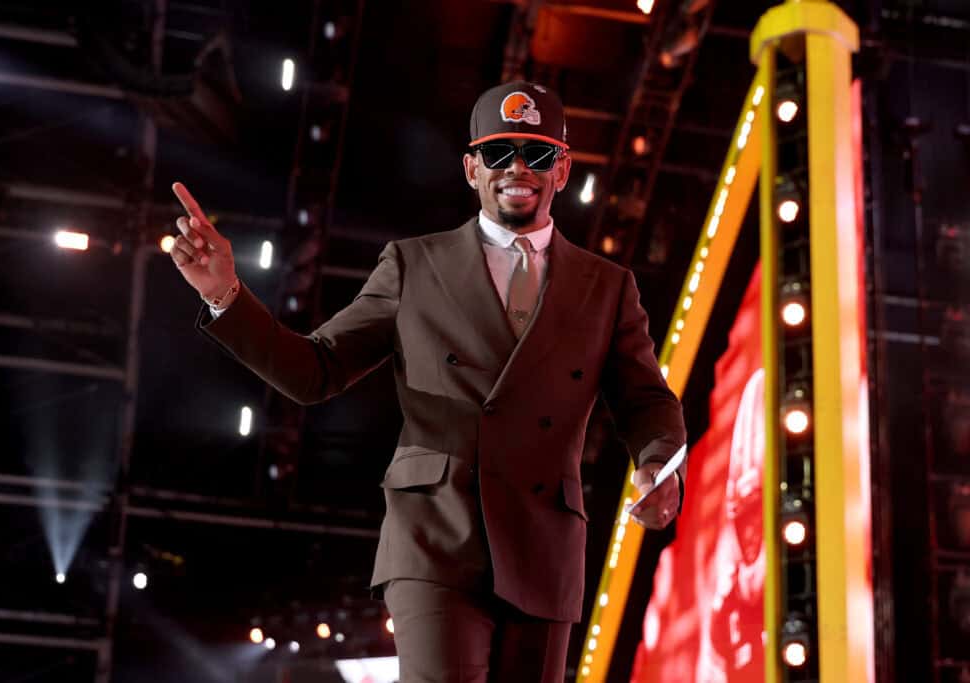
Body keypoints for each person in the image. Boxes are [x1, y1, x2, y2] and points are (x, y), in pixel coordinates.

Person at [168, 81, 686, 683]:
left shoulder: (608, 286)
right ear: (472, 169)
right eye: (498, 152)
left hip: (545, 546)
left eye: (538, 154)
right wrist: (226, 295)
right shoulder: (413, 264)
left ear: (563, 170)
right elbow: (316, 371)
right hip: (436, 539)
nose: (517, 168)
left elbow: (646, 401)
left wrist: (658, 464)